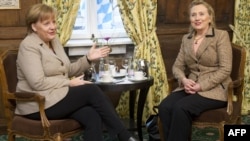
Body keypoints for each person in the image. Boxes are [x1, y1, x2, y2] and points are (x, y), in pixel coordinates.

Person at [15, 3, 137, 141]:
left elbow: (67, 70)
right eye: (46, 23)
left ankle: (123, 136)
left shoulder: (54, 41)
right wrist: (69, 82)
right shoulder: (28, 46)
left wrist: (88, 58)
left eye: (54, 22)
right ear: (33, 26)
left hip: (56, 97)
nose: (53, 27)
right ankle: (124, 136)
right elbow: (37, 82)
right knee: (90, 90)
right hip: (38, 104)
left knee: (91, 115)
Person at [158, 0, 232, 141]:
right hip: (190, 86)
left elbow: (225, 69)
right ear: (190, 19)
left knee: (181, 107)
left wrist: (201, 86)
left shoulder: (221, 36)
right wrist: (184, 80)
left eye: (201, 14)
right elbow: (177, 66)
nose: (197, 18)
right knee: (165, 106)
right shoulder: (187, 39)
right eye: (193, 15)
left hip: (214, 90)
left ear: (210, 17)